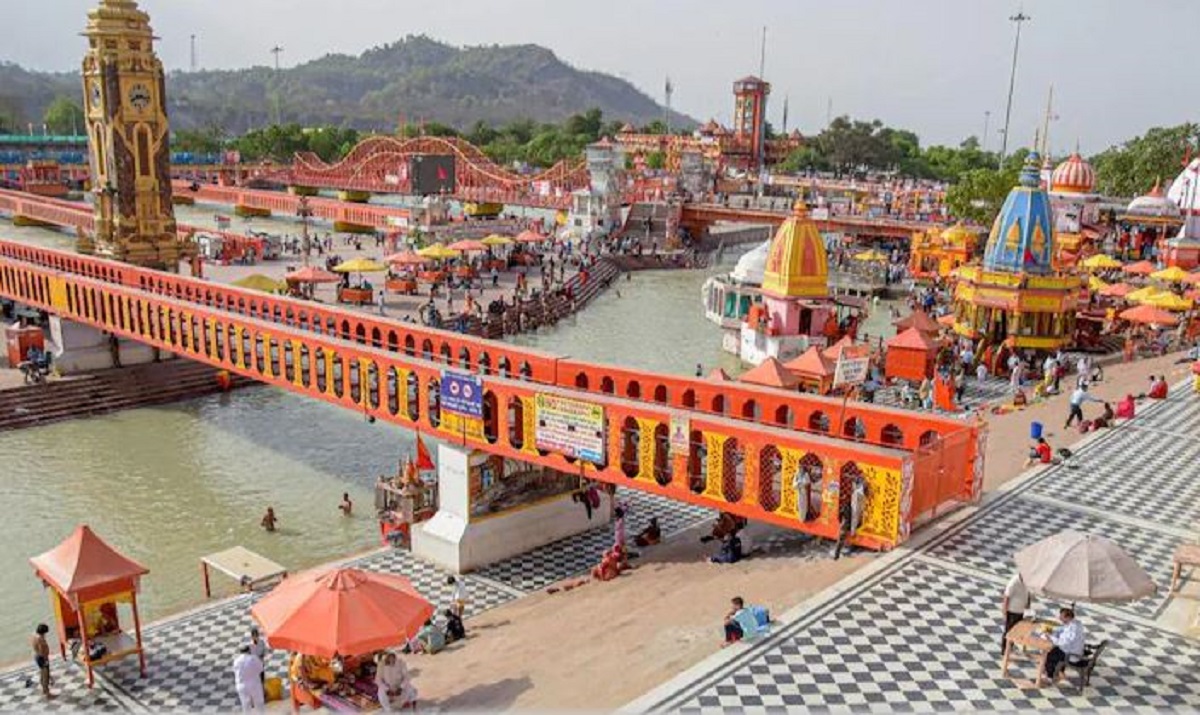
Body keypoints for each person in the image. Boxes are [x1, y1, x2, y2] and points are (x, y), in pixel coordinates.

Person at [1041, 607, 1085, 680]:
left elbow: (1064, 642)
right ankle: (1059, 670)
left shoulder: (1073, 628)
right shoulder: (1075, 623)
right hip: (1073, 649)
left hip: (1071, 654)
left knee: (1051, 653)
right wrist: (1052, 630)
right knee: (1055, 650)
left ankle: (1049, 676)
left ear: (1068, 617)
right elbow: (1063, 628)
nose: (1060, 618)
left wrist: (1050, 637)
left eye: (1062, 617)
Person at [1000, 573, 1032, 657]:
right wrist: (1004, 611)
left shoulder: (1026, 580)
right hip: (1012, 611)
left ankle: (1010, 648)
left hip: (1020, 611)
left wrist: (1028, 603)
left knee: (1016, 631)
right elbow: (1006, 596)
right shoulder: (1013, 582)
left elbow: (1028, 593)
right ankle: (1004, 650)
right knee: (1009, 631)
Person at [233, 645, 265, 712]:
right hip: (254, 684)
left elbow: (235, 672)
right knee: (259, 703)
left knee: (245, 705)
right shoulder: (253, 658)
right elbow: (261, 669)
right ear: (249, 651)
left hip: (241, 685)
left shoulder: (236, 661)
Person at [31, 623, 51, 699]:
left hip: (37, 656)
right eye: (45, 633)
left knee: (42, 673)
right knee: (45, 675)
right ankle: (47, 693)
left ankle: (44, 690)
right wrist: (46, 659)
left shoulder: (34, 634)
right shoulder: (40, 638)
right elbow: (42, 650)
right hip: (42, 658)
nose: (45, 634)